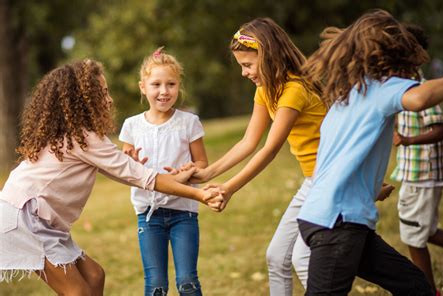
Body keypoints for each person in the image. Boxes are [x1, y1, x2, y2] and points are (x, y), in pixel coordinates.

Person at [0, 59, 222, 296]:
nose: (109, 99)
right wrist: (199, 194)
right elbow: (142, 177)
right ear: (83, 100)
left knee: (95, 276)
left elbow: (132, 175)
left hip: (39, 219)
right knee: (77, 293)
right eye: (102, 93)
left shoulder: (78, 136)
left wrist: (178, 178)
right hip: (24, 217)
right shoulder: (84, 139)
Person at [298, 9, 443, 295]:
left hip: (335, 218)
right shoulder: (383, 88)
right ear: (395, 51)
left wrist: (368, 189)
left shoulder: (350, 92)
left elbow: (338, 156)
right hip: (338, 224)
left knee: (416, 286)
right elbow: (419, 98)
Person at [190, 18, 327, 295]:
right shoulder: (266, 89)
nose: (244, 72)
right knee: (276, 257)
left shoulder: (294, 90)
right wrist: (207, 173)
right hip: (313, 183)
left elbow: (270, 149)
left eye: (247, 65)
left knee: (302, 257)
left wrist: (229, 187)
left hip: (326, 182)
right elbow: (249, 141)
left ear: (269, 57)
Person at [390, 24, 443, 295]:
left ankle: (429, 291)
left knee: (413, 236)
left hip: (423, 175)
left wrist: (407, 140)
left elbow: (440, 129)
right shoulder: (403, 87)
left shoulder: (423, 88)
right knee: (426, 230)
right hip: (416, 173)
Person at [119, 47, 208, 296]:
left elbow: (202, 163)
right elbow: (126, 171)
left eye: (171, 84)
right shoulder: (131, 126)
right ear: (142, 87)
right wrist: (132, 163)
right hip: (148, 216)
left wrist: (190, 169)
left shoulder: (189, 122)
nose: (163, 91)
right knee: (156, 286)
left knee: (187, 282)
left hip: (184, 214)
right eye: (156, 84)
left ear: (179, 86)